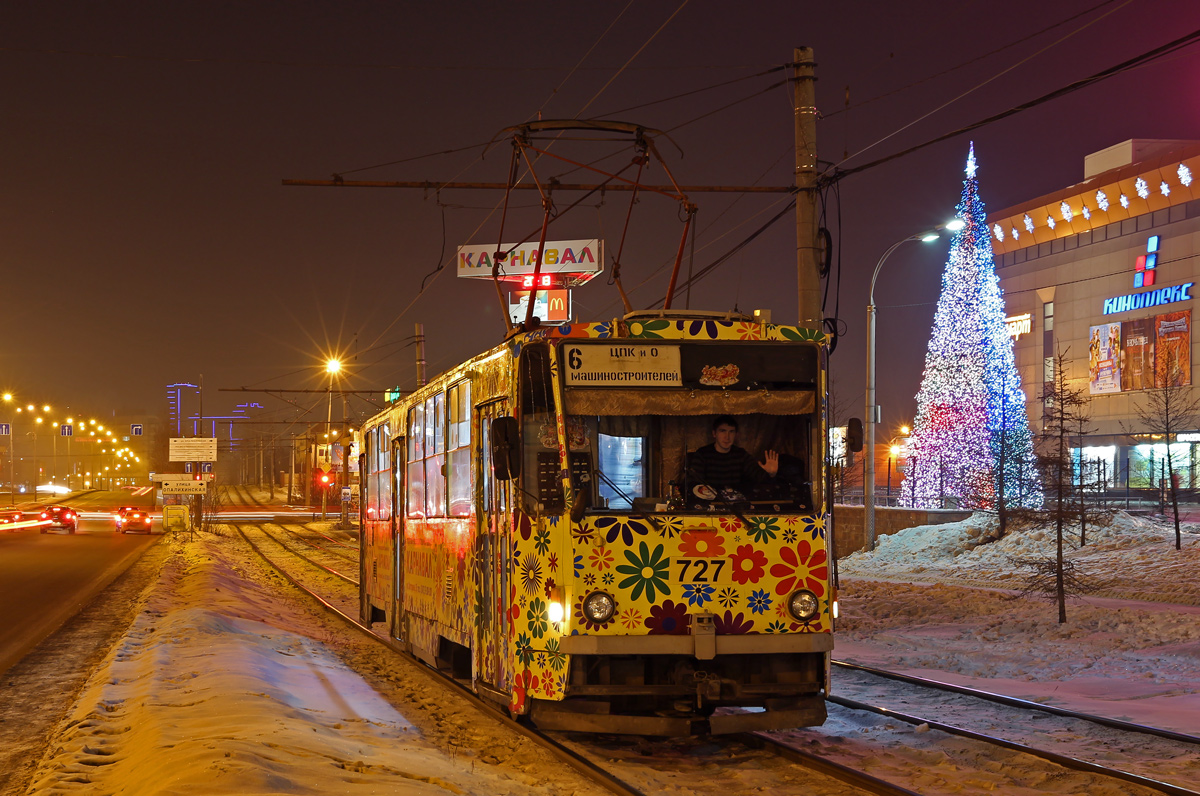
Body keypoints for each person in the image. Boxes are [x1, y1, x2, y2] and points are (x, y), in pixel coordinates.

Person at [685, 415, 778, 501]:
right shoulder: (702, 454)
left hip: (736, 503)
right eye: (723, 431)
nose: (727, 437)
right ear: (714, 433)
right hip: (710, 503)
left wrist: (771, 474)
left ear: (736, 435)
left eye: (731, 432)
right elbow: (693, 483)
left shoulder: (741, 454)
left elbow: (758, 478)